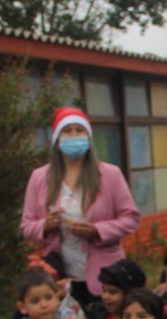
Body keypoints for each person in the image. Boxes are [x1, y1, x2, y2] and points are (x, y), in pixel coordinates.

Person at [21, 106, 141, 307]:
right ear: (57, 139)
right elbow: (26, 226)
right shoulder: (40, 177)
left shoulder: (110, 174)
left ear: (88, 136)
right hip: (60, 276)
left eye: (79, 130)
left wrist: (98, 230)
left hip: (105, 278)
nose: (73, 135)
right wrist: (46, 225)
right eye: (67, 131)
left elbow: (131, 219)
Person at [82, 258, 146, 319]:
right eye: (104, 290)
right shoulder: (97, 315)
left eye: (113, 292)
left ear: (129, 294)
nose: (105, 296)